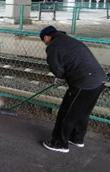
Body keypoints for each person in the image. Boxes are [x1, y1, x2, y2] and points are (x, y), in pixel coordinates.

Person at [39, 25, 106, 153]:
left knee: (67, 112)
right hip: (99, 79)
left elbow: (56, 68)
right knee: (82, 112)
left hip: (84, 83)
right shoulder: (70, 40)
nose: (45, 43)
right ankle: (76, 138)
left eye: (43, 41)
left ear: (47, 37)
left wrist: (60, 77)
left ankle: (59, 143)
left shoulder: (53, 45)